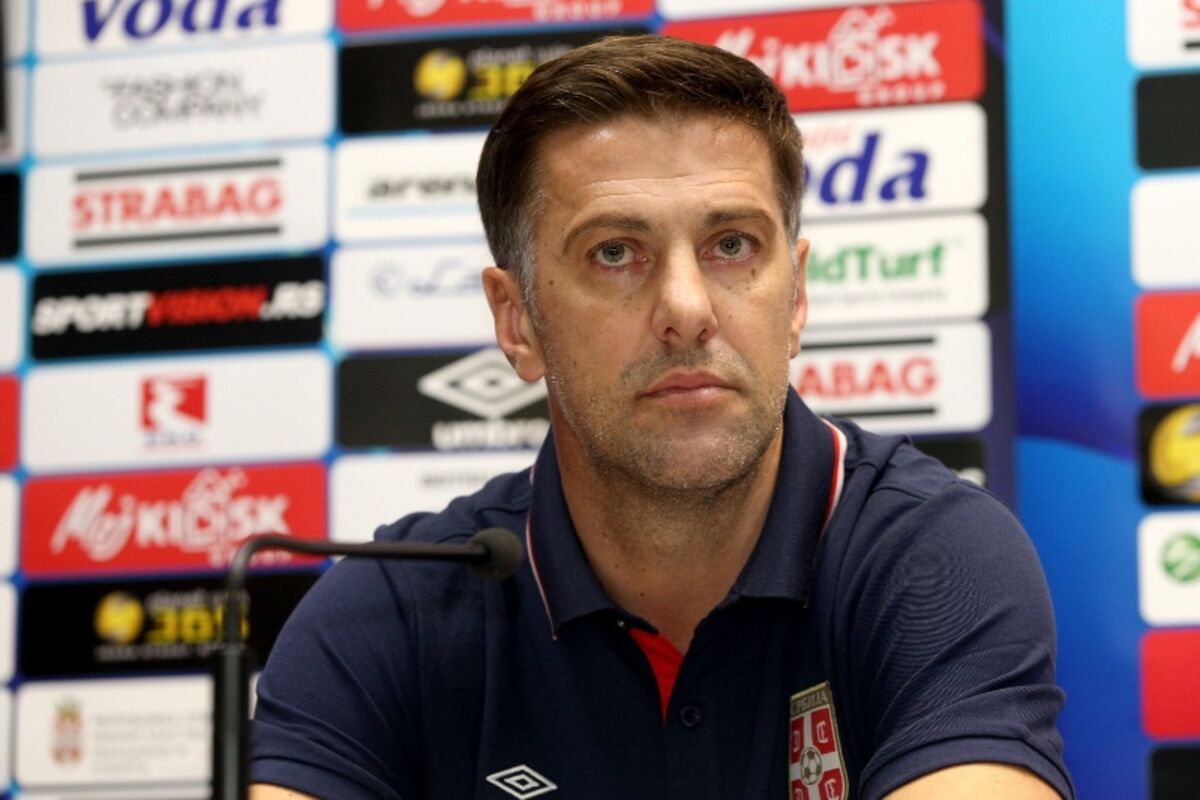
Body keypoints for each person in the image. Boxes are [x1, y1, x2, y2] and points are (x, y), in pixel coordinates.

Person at [249, 35, 1073, 800]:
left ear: (796, 297)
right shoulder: (388, 614)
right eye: (615, 253)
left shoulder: (931, 560)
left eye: (732, 246)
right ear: (517, 320)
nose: (687, 310)